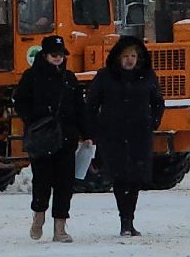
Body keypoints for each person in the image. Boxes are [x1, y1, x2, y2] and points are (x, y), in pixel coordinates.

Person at [85, 35, 165, 237]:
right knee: (120, 178)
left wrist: (152, 122)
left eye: (133, 56)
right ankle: (125, 222)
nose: (130, 59)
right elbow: (91, 104)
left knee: (136, 178)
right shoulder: (105, 76)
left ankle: (130, 219)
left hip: (139, 134)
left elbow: (157, 102)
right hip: (113, 135)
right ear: (118, 57)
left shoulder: (147, 76)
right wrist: (95, 130)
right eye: (126, 56)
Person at [13, 34, 86, 243]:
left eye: (61, 54)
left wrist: (87, 133)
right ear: (44, 56)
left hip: (66, 138)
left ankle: (60, 228)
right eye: (54, 54)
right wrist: (35, 119)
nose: (58, 58)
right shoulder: (31, 77)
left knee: (65, 184)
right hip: (42, 138)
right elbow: (20, 102)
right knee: (42, 181)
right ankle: (39, 217)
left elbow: (80, 108)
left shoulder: (69, 79)